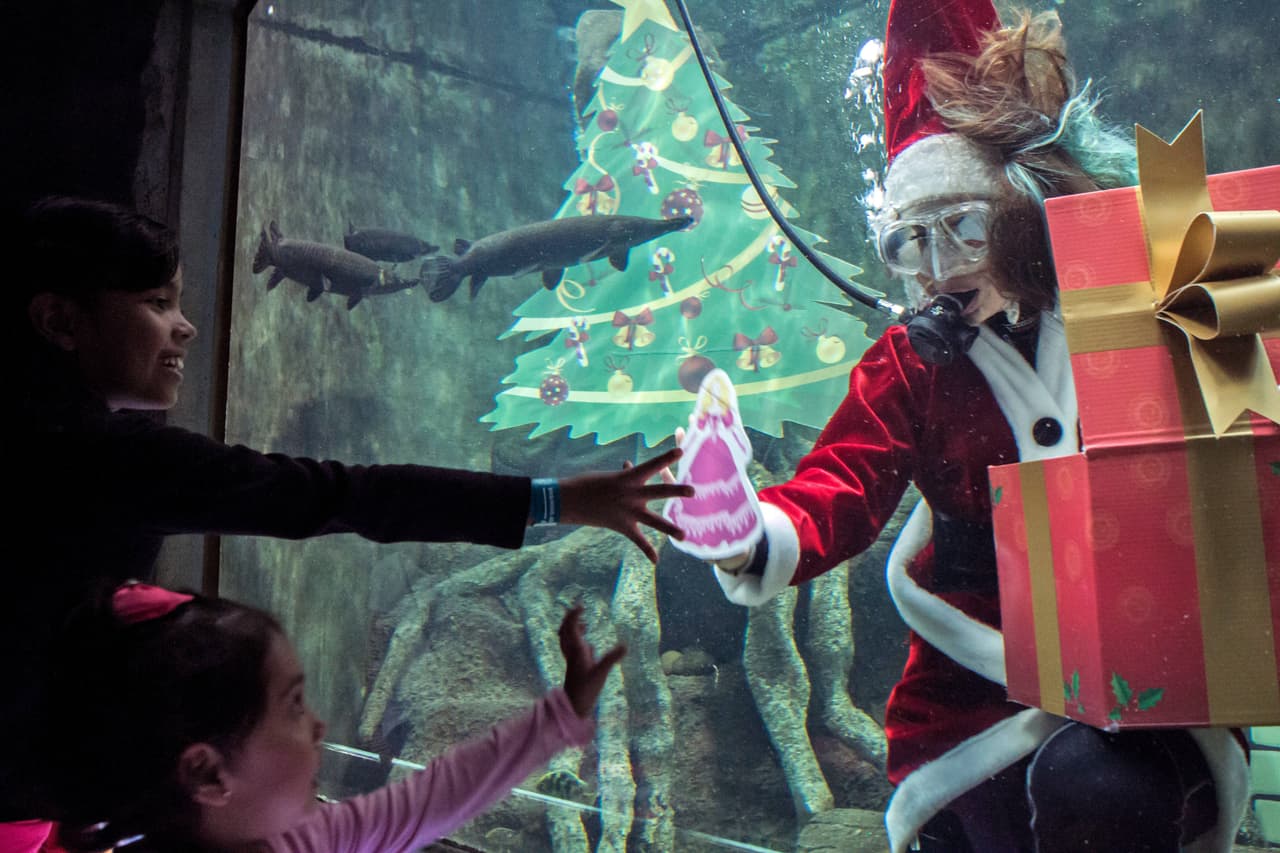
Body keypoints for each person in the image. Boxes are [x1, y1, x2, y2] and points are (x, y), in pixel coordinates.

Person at [697, 1, 1249, 851]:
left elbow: (1249, 396)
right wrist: (749, 531)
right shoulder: (911, 365)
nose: (940, 268)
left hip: (1161, 676)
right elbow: (838, 482)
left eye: (963, 228)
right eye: (909, 243)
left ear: (1021, 212)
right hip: (969, 695)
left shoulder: (1140, 287)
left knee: (1098, 791)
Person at [5, 196, 692, 840]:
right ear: (60, 321)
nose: (184, 324)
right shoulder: (105, 458)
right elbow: (345, 494)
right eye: (157, 303)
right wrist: (552, 499)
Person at [37, 581, 620, 852]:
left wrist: (561, 714)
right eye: (292, 703)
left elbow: (433, 798)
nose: (318, 726)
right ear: (208, 774)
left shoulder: (299, 839)